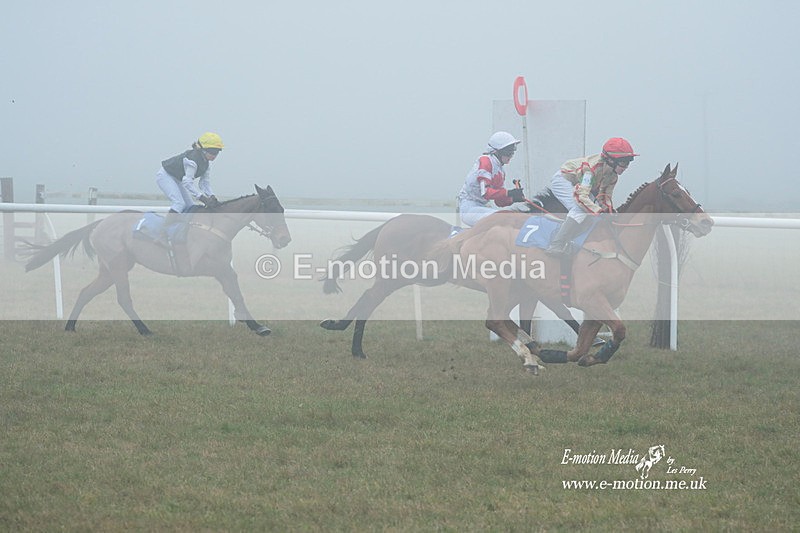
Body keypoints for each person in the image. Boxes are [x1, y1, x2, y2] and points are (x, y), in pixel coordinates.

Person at [545, 137, 638, 257]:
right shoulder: (590, 171)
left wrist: (609, 211)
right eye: (624, 162)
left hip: (582, 184)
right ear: (610, 160)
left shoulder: (613, 176)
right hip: (564, 180)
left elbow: (605, 198)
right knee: (579, 210)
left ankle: (573, 240)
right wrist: (598, 211)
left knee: (593, 210)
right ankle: (556, 245)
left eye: (629, 162)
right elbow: (582, 198)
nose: (626, 167)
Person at [457, 131, 530, 227]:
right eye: (508, 152)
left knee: (509, 216)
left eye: (512, 152)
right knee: (503, 217)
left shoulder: (501, 171)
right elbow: (486, 193)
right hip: (469, 208)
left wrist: (513, 199)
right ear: (496, 151)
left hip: (482, 208)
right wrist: (509, 192)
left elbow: (499, 202)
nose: (511, 155)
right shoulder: (485, 161)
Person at [156, 132, 225, 229]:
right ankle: (162, 232)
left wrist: (211, 196)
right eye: (212, 151)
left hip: (176, 179)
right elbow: (187, 182)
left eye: (217, 152)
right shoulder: (192, 161)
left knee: (191, 206)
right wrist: (202, 198)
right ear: (203, 150)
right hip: (165, 176)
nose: (214, 155)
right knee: (179, 203)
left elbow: (204, 183)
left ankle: (182, 230)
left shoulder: (206, 163)